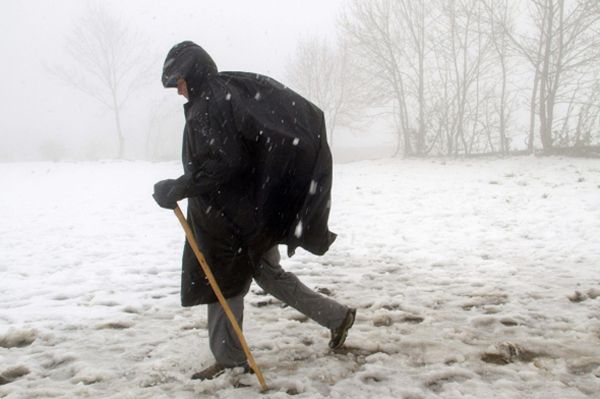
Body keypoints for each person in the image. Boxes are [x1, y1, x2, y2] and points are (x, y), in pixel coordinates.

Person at [152, 41, 356, 381]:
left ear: (191, 72)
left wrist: (181, 186)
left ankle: (230, 358)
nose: (178, 91)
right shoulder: (221, 93)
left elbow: (226, 163)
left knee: (223, 282)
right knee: (270, 276)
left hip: (230, 220)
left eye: (179, 82)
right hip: (248, 214)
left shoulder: (209, 104)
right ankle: (337, 317)